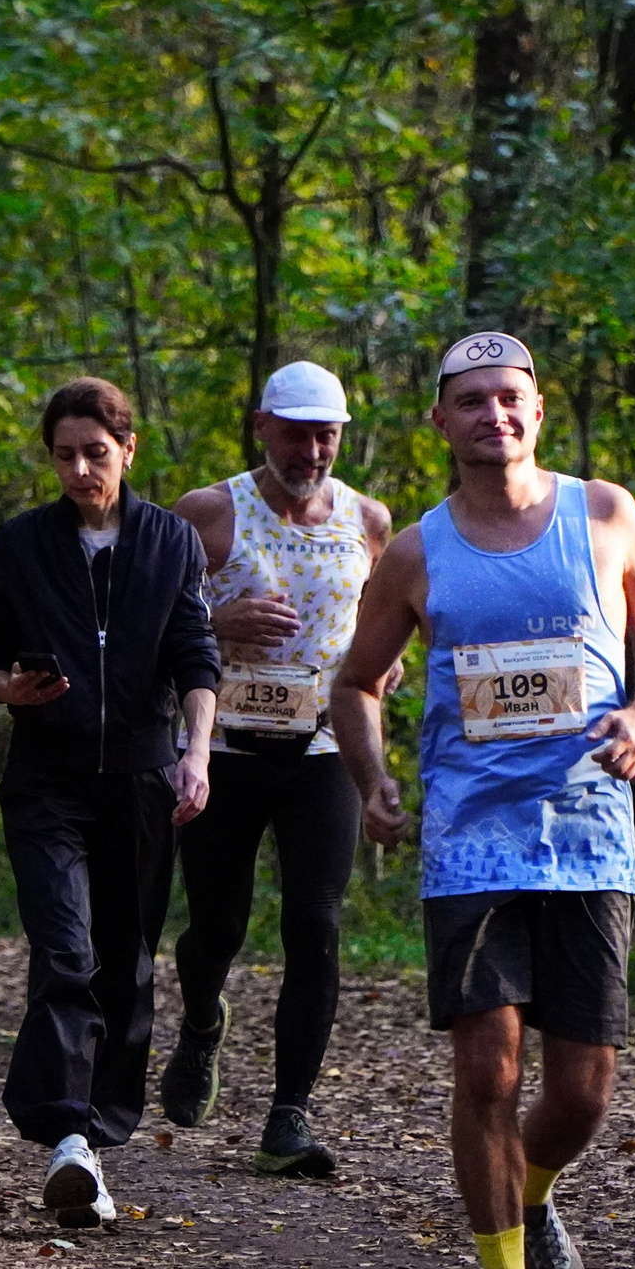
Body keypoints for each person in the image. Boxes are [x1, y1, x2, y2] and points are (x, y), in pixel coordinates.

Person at [333, 332, 635, 1269]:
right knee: (486, 1069)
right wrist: (370, 780)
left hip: (587, 835)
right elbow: (356, 682)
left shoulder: (605, 515)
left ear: (539, 410)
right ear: (440, 423)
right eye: (472, 402)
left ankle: (531, 1198)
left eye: (510, 398)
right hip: (470, 840)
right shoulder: (417, 552)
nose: (495, 415)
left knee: (582, 1094)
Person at [0, 377, 220, 1228]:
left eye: (96, 453)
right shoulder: (19, 546)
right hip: (46, 782)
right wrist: (17, 688)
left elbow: (196, 657)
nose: (80, 470)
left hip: (144, 782)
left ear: (129, 449)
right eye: (65, 455)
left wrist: (196, 753)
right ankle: (66, 1136)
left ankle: (96, 1131)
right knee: (66, 951)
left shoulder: (171, 542)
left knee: (127, 961)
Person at [162, 361, 392, 1178]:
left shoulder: (368, 520)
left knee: (316, 926)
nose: (312, 448)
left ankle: (288, 1115)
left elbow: (379, 636)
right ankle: (199, 1027)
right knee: (217, 924)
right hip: (221, 748)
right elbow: (150, 624)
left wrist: (378, 709)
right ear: (262, 425)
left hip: (321, 755)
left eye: (326, 432)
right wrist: (217, 624)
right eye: (296, 430)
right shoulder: (208, 513)